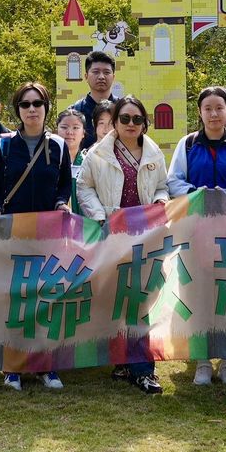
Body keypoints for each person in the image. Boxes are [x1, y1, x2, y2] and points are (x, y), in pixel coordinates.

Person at [75, 96, 169, 394]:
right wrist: (101, 216)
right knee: (115, 299)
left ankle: (143, 369)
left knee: (139, 299)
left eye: (137, 119)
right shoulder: (98, 153)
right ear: (115, 122)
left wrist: (160, 202)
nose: (131, 124)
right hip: (112, 235)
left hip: (145, 235)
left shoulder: (153, 153)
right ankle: (122, 359)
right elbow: (84, 187)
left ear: (145, 123)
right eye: (125, 118)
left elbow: (163, 186)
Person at [0, 81, 72, 393]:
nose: (32, 109)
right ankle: (13, 367)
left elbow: (65, 184)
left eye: (37, 103)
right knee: (16, 299)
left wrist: (61, 202)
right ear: (17, 110)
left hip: (48, 235)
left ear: (46, 107)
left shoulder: (59, 146)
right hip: (13, 233)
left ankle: (46, 364)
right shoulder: (4, 145)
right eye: (25, 104)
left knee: (46, 298)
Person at [166, 86, 226, 386]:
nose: (214, 114)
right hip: (195, 231)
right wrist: (197, 194)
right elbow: (174, 181)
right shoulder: (188, 144)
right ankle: (202, 359)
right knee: (198, 291)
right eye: (208, 108)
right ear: (200, 112)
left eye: (220, 108)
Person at [68, 51, 119, 122]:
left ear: (113, 77)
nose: (101, 77)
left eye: (106, 72)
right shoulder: (74, 111)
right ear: (86, 76)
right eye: (96, 72)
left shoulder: (122, 109)